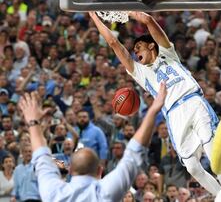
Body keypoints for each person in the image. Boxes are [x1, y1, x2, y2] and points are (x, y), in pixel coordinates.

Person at [90, 11, 221, 195]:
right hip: (173, 114)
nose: (136, 52)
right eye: (134, 51)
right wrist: (94, 17)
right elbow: (113, 43)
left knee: (214, 156)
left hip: (193, 101)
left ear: (151, 46)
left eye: (139, 47)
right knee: (192, 168)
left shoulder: (167, 52)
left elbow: (148, 20)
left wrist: (132, 12)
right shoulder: (139, 72)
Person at [17, 82, 167, 201]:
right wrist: (153, 110)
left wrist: (32, 122)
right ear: (99, 171)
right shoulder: (105, 193)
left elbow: (41, 157)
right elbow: (133, 154)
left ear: (70, 170)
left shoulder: (53, 192)